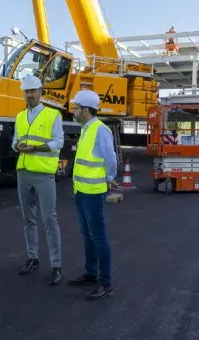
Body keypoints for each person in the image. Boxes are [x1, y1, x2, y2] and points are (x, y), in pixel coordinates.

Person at [13, 74, 65, 285]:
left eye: (33, 91)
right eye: (27, 92)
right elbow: (15, 141)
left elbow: (58, 142)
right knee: (28, 219)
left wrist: (35, 148)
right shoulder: (20, 116)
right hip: (23, 171)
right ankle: (33, 258)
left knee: (49, 219)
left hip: (44, 173)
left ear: (40, 92)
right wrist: (17, 146)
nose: (30, 95)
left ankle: (56, 265)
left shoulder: (53, 115)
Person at [67, 89, 118, 300]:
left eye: (76, 109)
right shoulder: (87, 129)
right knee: (87, 235)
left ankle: (105, 283)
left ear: (86, 110)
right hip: (81, 192)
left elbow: (110, 159)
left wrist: (110, 178)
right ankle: (91, 273)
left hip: (93, 194)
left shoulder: (100, 130)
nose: (73, 112)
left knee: (98, 238)